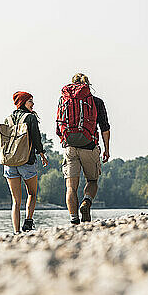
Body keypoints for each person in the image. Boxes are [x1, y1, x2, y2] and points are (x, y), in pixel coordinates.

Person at [56, 73, 110, 225]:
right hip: (89, 146)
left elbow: (58, 128)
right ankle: (86, 202)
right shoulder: (96, 102)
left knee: (71, 187)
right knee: (92, 180)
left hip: (70, 147)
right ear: (88, 84)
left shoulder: (64, 100)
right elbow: (105, 128)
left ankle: (74, 220)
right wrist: (106, 149)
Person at [3, 91, 48, 233]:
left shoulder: (8, 119)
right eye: (30, 101)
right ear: (22, 102)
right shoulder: (30, 118)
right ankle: (28, 221)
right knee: (32, 194)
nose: (33, 104)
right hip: (26, 162)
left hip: (9, 163)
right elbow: (36, 138)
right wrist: (42, 155)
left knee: (16, 201)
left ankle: (16, 232)